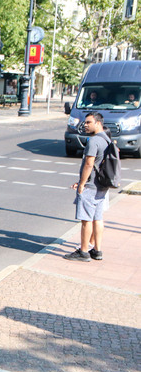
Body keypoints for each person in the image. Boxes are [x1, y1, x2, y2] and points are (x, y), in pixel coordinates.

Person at [64, 112, 110, 262]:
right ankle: (97, 250)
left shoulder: (94, 141)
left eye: (89, 122)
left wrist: (81, 183)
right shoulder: (107, 139)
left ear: (98, 123)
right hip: (102, 185)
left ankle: (83, 251)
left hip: (91, 186)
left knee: (86, 220)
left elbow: (89, 164)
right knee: (98, 219)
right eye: (85, 122)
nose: (85, 125)